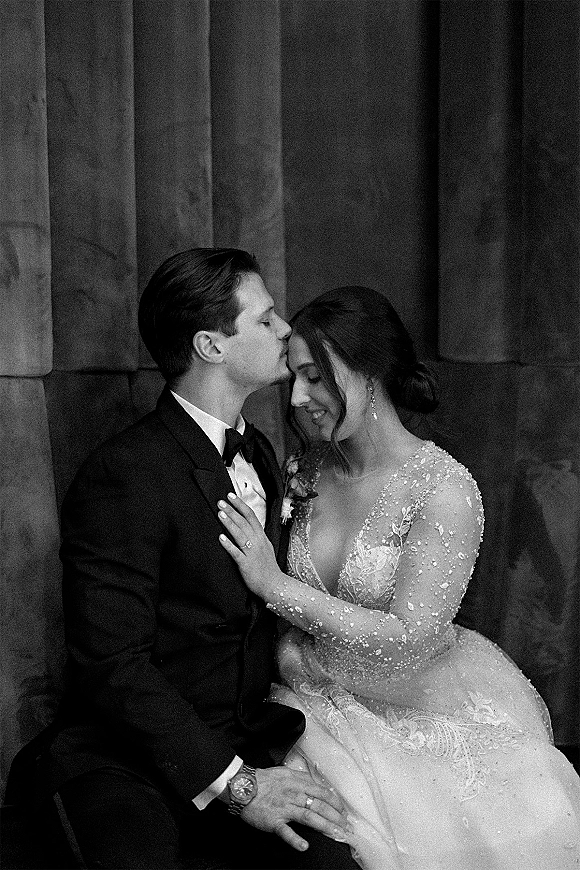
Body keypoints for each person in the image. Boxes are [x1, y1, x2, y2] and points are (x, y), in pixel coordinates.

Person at [216, 285, 580, 870]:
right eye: (293, 380)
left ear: (371, 372)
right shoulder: (301, 471)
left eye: (315, 377)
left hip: (415, 710)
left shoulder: (444, 489)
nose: (298, 400)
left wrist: (275, 584)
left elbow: (412, 638)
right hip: (302, 708)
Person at [27, 249, 360, 870]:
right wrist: (235, 784)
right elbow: (111, 666)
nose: (286, 330)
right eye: (265, 321)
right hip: (128, 759)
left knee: (335, 862)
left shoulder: (259, 452)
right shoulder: (125, 473)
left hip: (242, 740)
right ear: (211, 345)